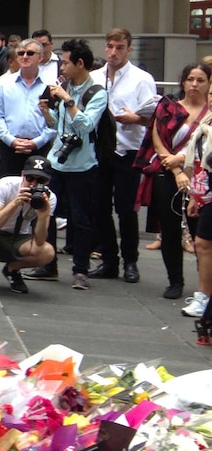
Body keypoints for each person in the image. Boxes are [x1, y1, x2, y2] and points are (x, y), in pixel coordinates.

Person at [22, 39, 107, 290]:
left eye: (67, 63)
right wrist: (47, 112)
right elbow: (56, 125)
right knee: (44, 212)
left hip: (82, 166)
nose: (62, 68)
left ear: (80, 64)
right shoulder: (64, 87)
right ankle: (48, 264)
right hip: (56, 163)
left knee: (80, 220)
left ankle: (80, 270)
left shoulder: (97, 93)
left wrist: (68, 100)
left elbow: (86, 126)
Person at [134, 63, 211, 300]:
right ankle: (174, 281)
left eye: (200, 80)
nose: (194, 85)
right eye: (190, 79)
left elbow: (205, 148)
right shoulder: (168, 108)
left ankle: (204, 283)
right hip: (168, 174)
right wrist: (177, 169)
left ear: (209, 83)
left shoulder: (210, 113)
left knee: (202, 234)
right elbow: (158, 140)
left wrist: (182, 160)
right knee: (169, 230)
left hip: (202, 178)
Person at [88, 28, 157, 284]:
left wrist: (135, 118)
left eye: (119, 47)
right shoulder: (95, 77)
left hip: (128, 151)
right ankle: (109, 260)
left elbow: (152, 115)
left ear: (129, 49)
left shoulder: (142, 79)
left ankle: (130, 262)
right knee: (99, 207)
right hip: (99, 150)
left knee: (126, 210)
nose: (113, 52)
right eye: (109, 46)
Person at [0, 156, 57, 297]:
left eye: (40, 181)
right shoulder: (5, 185)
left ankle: (11, 269)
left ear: (47, 181)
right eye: (30, 178)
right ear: (22, 175)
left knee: (48, 252)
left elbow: (39, 241)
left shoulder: (49, 197)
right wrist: (14, 204)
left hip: (18, 237)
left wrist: (43, 216)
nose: (33, 184)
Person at [0, 38, 55, 189]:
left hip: (39, 149)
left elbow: (54, 121)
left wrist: (36, 142)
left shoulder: (51, 86)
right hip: (8, 148)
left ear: (41, 57)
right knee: (4, 194)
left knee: (37, 196)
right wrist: (11, 140)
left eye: (30, 53)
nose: (24, 56)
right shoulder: (3, 84)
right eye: (21, 53)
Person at [182, 88, 212, 318]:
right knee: (202, 243)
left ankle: (205, 296)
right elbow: (200, 163)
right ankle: (204, 296)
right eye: (211, 93)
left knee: (203, 243)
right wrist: (194, 195)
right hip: (205, 192)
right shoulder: (205, 126)